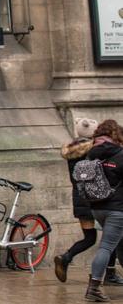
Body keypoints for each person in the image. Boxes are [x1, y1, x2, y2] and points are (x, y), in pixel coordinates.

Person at [54, 118, 123, 283]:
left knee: (91, 238)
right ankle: (109, 274)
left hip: (81, 198)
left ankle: (67, 257)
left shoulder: (74, 153)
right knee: (110, 240)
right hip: (101, 199)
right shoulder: (99, 151)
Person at [83, 119, 123, 302]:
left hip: (97, 207)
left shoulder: (92, 154)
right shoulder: (120, 154)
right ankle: (94, 289)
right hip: (117, 209)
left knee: (118, 242)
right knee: (106, 246)